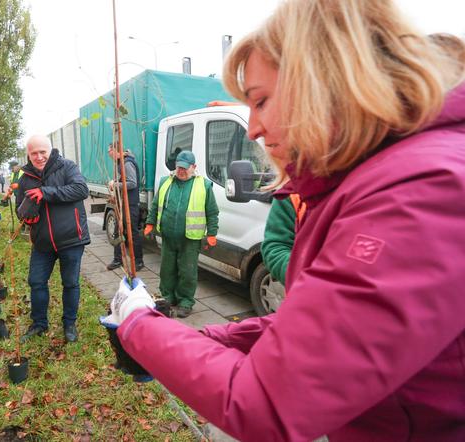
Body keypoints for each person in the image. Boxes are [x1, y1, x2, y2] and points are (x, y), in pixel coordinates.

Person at [104, 1, 465, 440]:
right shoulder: (364, 181)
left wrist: (139, 328)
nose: (252, 129)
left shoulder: (419, 192)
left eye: (261, 101)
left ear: (324, 78)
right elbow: (319, 326)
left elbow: (268, 401)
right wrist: (199, 340)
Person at [16, 134, 90, 343]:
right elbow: (19, 209)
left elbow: (81, 189)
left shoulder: (67, 167)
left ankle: (69, 324)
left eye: (42, 152)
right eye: (34, 153)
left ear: (50, 151)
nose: (39, 157)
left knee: (70, 283)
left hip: (71, 239)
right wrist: (27, 218)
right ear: (28, 155)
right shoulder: (25, 179)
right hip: (42, 243)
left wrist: (45, 192)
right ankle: (39, 324)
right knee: (36, 282)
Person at [143, 150, 219, 318]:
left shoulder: (204, 185)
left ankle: (185, 301)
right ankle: (167, 297)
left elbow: (212, 212)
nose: (181, 171)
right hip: (169, 237)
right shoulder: (166, 183)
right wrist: (150, 222)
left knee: (187, 272)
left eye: (185, 168)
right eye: (179, 167)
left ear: (194, 167)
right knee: (167, 269)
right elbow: (155, 205)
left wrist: (212, 233)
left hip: (190, 239)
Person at [105, 143, 144, 271]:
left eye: (109, 150)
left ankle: (138, 261)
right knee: (118, 232)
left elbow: (132, 183)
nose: (108, 153)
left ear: (116, 150)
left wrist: (115, 184)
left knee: (132, 233)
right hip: (122, 204)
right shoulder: (119, 162)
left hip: (130, 204)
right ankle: (118, 259)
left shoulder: (126, 163)